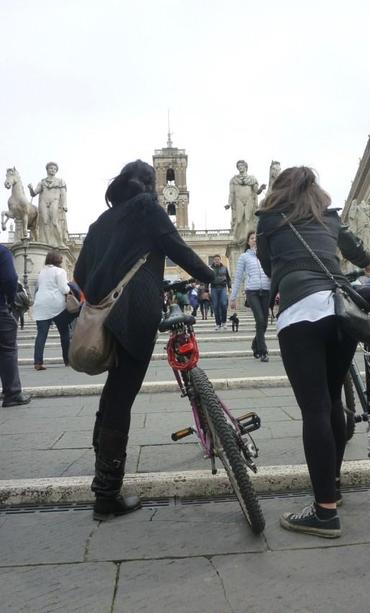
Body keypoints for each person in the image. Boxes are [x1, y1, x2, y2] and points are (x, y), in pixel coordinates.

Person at [73, 160, 214, 521]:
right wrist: (211, 276)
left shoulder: (99, 222)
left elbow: (80, 275)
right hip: (135, 314)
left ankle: (102, 474)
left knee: (113, 393)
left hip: (105, 314)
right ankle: (106, 494)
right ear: (151, 183)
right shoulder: (149, 209)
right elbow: (177, 248)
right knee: (122, 397)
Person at [256, 166, 370, 538]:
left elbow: (267, 264)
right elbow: (356, 250)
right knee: (331, 401)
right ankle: (333, 488)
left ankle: (324, 511)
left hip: (301, 312)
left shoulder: (268, 220)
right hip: (342, 308)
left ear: (280, 189)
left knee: (316, 409)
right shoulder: (329, 217)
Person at [230, 231, 271, 362]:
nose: (254, 240)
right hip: (252, 291)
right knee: (259, 320)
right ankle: (263, 351)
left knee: (264, 323)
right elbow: (238, 277)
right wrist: (233, 297)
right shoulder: (244, 257)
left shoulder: (266, 255)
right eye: (252, 238)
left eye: (257, 238)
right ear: (248, 241)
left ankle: (255, 344)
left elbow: (272, 273)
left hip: (266, 290)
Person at [0, 245, 31, 407]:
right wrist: (10, 299)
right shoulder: (2, 251)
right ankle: (12, 393)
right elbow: (10, 279)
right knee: (7, 349)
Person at [32, 250, 71, 370]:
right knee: (64, 333)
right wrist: (70, 286)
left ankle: (38, 362)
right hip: (56, 306)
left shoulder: (41, 272)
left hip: (41, 305)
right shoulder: (60, 271)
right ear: (57, 260)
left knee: (41, 335)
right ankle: (67, 361)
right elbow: (64, 289)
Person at [225, 160, 266, 245]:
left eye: (242, 165)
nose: (240, 167)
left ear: (246, 167)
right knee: (239, 220)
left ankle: (248, 239)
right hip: (238, 200)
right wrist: (229, 204)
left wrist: (261, 189)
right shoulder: (234, 180)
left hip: (249, 200)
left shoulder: (252, 179)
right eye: (239, 166)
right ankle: (237, 238)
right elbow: (231, 193)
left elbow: (256, 191)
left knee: (248, 220)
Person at [28, 162, 68, 246]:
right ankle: (47, 242)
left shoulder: (60, 181)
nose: (53, 170)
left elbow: (63, 193)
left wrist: (64, 204)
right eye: (51, 168)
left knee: (54, 222)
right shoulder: (42, 182)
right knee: (45, 222)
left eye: (54, 169)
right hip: (43, 202)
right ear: (47, 170)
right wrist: (30, 188)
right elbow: (34, 193)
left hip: (55, 201)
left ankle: (60, 242)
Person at [210, 254, 232, 331]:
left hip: (223, 287)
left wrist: (229, 287)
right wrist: (206, 290)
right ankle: (218, 324)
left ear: (220, 260)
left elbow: (228, 279)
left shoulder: (224, 268)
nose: (217, 260)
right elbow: (206, 279)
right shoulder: (210, 268)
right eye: (215, 259)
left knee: (223, 304)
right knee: (215, 306)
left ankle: (224, 322)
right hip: (214, 288)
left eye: (218, 259)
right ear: (213, 260)